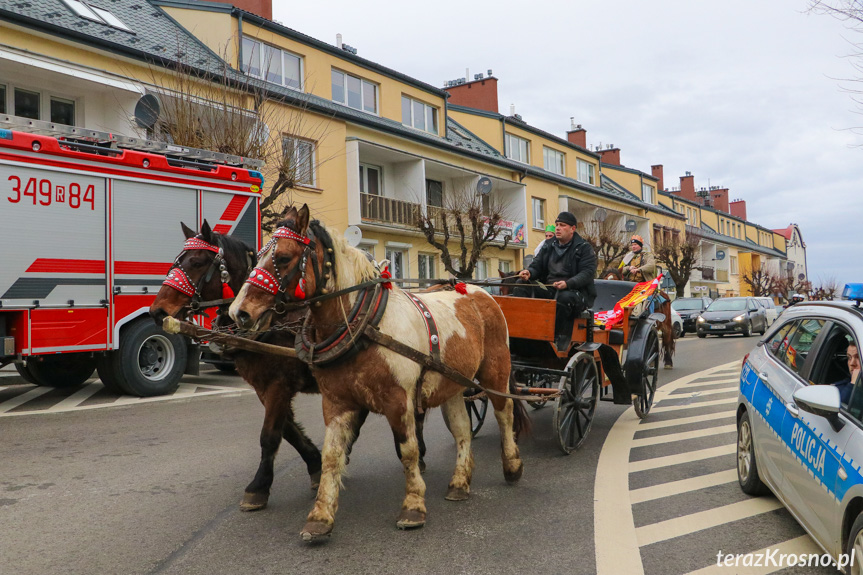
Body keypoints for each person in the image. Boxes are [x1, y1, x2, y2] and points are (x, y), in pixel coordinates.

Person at [514, 211, 597, 350]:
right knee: (521, 286)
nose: (557, 228)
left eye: (562, 225)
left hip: (576, 293)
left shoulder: (584, 248)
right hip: (551, 289)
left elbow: (587, 273)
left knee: (564, 298)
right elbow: (537, 265)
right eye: (557, 225)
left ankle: (558, 338)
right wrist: (529, 272)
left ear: (572, 229)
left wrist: (568, 283)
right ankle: (521, 331)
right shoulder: (548, 245)